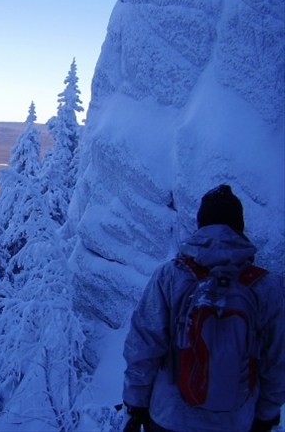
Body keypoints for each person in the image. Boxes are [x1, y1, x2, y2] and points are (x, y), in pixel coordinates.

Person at [122, 185, 285, 432]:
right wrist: (266, 414)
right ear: (239, 227)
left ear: (201, 225)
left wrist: (135, 404)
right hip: (236, 421)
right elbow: (277, 360)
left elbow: (144, 344)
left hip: (171, 418)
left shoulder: (171, 275)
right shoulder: (266, 286)